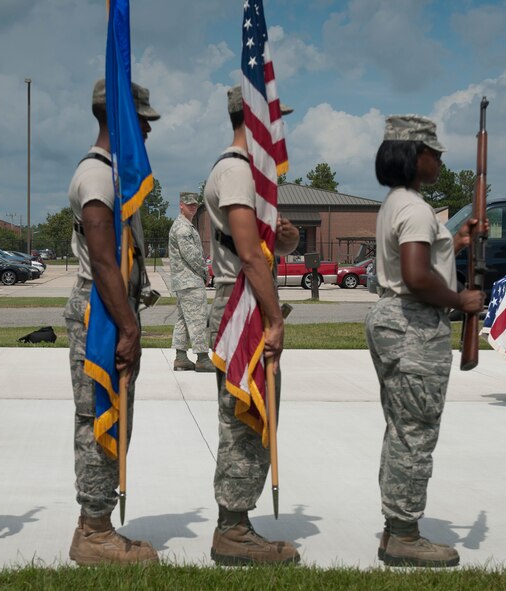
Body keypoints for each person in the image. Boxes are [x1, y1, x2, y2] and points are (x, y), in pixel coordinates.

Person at [366, 115, 486, 567]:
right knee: (415, 432)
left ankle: (396, 526)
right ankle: (403, 535)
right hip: (413, 323)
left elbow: (418, 259)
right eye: (434, 153)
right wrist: (461, 300)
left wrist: (455, 241)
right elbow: (416, 276)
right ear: (415, 156)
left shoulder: (399, 202)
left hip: (394, 319)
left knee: (402, 427)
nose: (439, 160)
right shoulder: (415, 208)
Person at [203, 85, 300, 565]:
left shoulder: (251, 175)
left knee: (255, 415)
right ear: (257, 119)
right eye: (277, 119)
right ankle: (233, 529)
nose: (282, 130)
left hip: (248, 295)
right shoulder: (237, 172)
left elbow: (265, 248)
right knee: (243, 417)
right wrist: (275, 318)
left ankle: (237, 523)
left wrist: (287, 239)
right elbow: (246, 254)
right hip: (240, 302)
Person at [64, 78, 161, 565]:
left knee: (113, 415)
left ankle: (96, 524)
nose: (147, 127)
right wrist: (128, 327)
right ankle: (95, 532)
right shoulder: (98, 176)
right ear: (120, 118)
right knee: (98, 414)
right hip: (102, 311)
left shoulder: (113, 174)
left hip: (113, 304)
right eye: (141, 118)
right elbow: (104, 261)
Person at [168, 192, 214, 372]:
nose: (193, 208)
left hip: (184, 281)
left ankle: (180, 358)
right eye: (189, 205)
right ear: (181, 205)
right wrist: (205, 272)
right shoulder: (183, 228)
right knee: (198, 319)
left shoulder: (184, 225)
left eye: (195, 205)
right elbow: (192, 256)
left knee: (183, 319)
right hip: (190, 280)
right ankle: (202, 358)